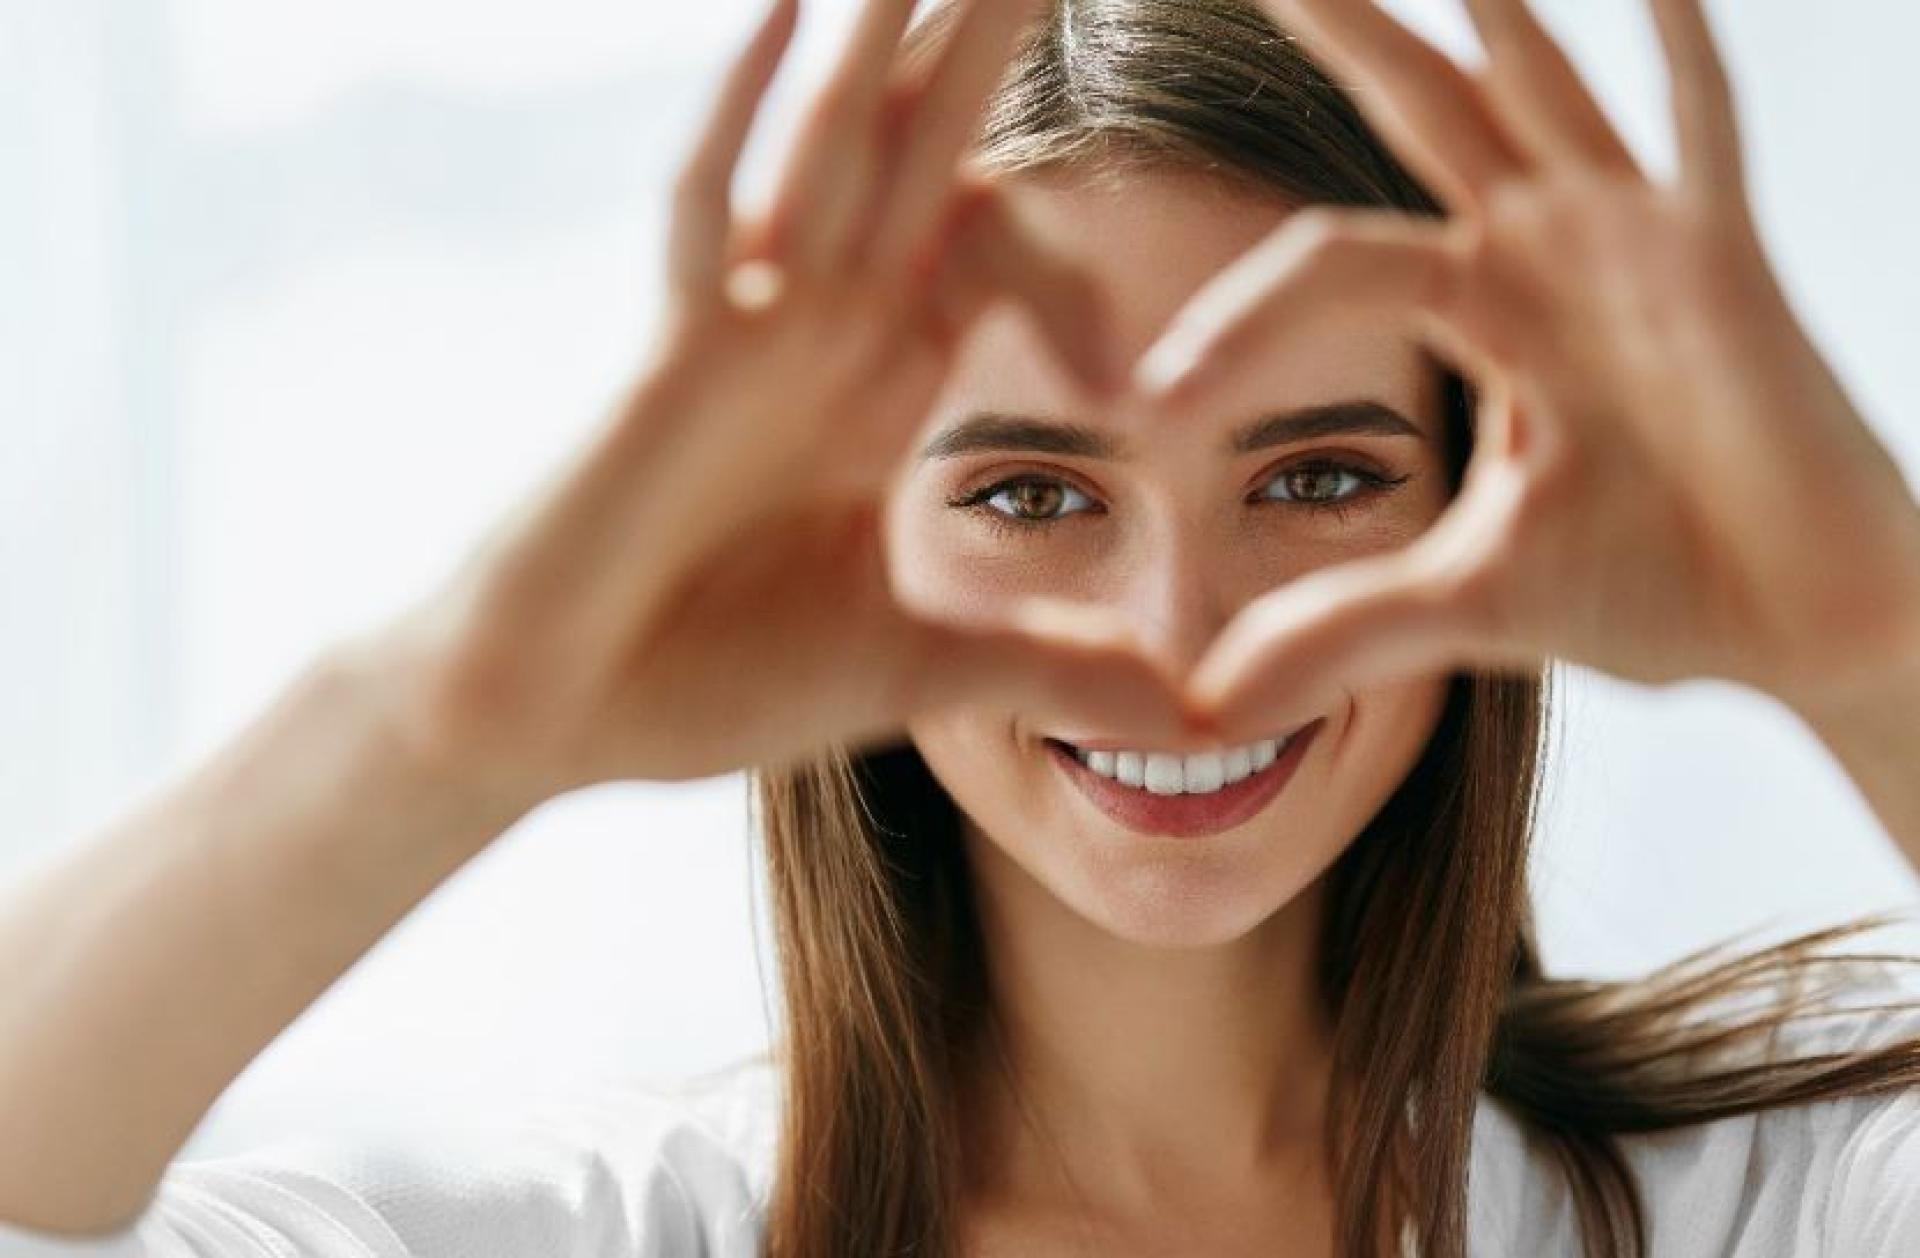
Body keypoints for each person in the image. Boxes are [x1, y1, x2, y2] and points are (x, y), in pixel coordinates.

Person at [3, 0, 1920, 1253]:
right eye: (1031, 494)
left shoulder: (1778, 1197)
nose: (1181, 628)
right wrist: (447, 724)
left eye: (1321, 476)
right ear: (858, 539)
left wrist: (1878, 645)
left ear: (1480, 497)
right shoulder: (583, 1230)